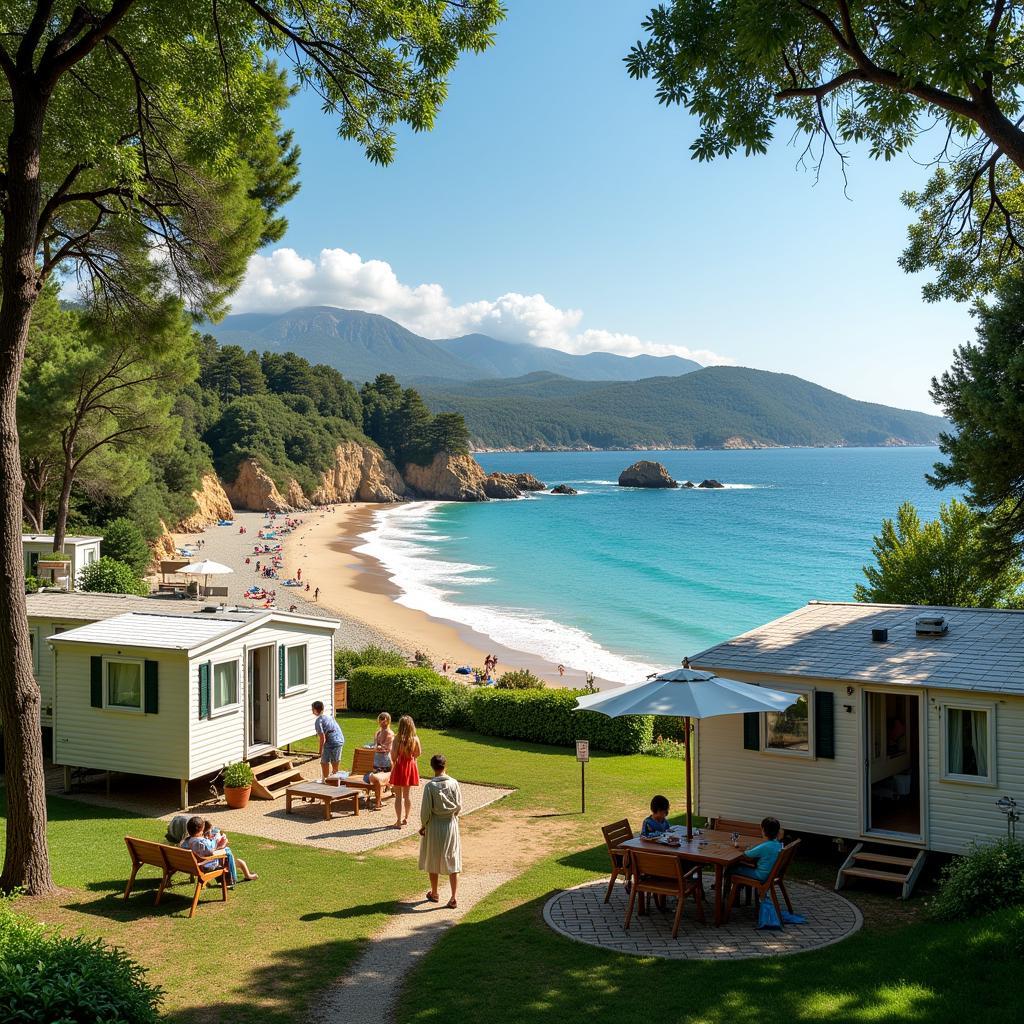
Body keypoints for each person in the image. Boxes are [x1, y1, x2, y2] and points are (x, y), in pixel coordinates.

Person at [419, 753, 462, 908]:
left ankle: (435, 892)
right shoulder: (454, 783)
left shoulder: (430, 786)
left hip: (435, 824)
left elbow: (425, 810)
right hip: (450, 824)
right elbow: (459, 805)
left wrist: (424, 825)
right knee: (452, 858)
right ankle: (453, 896)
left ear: (432, 767)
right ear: (445, 765)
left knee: (433, 857)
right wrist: (452, 817)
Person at [180, 816, 257, 884]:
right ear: (201, 830)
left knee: (227, 853)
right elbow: (210, 851)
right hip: (205, 866)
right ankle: (232, 878)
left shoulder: (188, 841)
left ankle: (232, 876)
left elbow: (206, 850)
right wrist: (217, 842)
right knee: (227, 851)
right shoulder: (201, 841)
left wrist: (217, 845)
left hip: (195, 865)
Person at [728, 817, 784, 887]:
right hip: (769, 875)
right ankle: (738, 889)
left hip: (761, 875)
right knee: (739, 866)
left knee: (730, 869)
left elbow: (746, 855)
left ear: (763, 830)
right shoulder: (778, 844)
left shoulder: (765, 846)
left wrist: (747, 849)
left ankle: (728, 895)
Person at [389, 714, 422, 828]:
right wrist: (411, 757)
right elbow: (418, 753)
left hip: (399, 766)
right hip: (410, 765)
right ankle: (406, 818)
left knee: (398, 797)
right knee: (407, 796)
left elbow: (393, 757)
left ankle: (398, 821)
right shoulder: (415, 738)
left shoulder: (396, 739)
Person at [312, 700, 344, 780]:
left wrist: (320, 751)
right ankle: (335, 779)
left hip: (332, 741)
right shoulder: (329, 716)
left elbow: (323, 738)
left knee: (324, 762)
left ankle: (325, 780)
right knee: (335, 760)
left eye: (312, 709)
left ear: (315, 710)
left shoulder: (318, 721)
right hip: (339, 739)